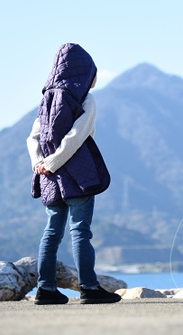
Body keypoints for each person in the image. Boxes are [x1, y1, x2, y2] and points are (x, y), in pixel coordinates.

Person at [27, 43, 120, 305]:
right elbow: (77, 136)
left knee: (52, 231)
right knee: (80, 230)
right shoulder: (85, 99)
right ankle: (89, 288)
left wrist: (39, 163)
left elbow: (32, 138)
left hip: (48, 176)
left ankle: (45, 290)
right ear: (85, 74)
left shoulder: (45, 100)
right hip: (77, 174)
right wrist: (55, 162)